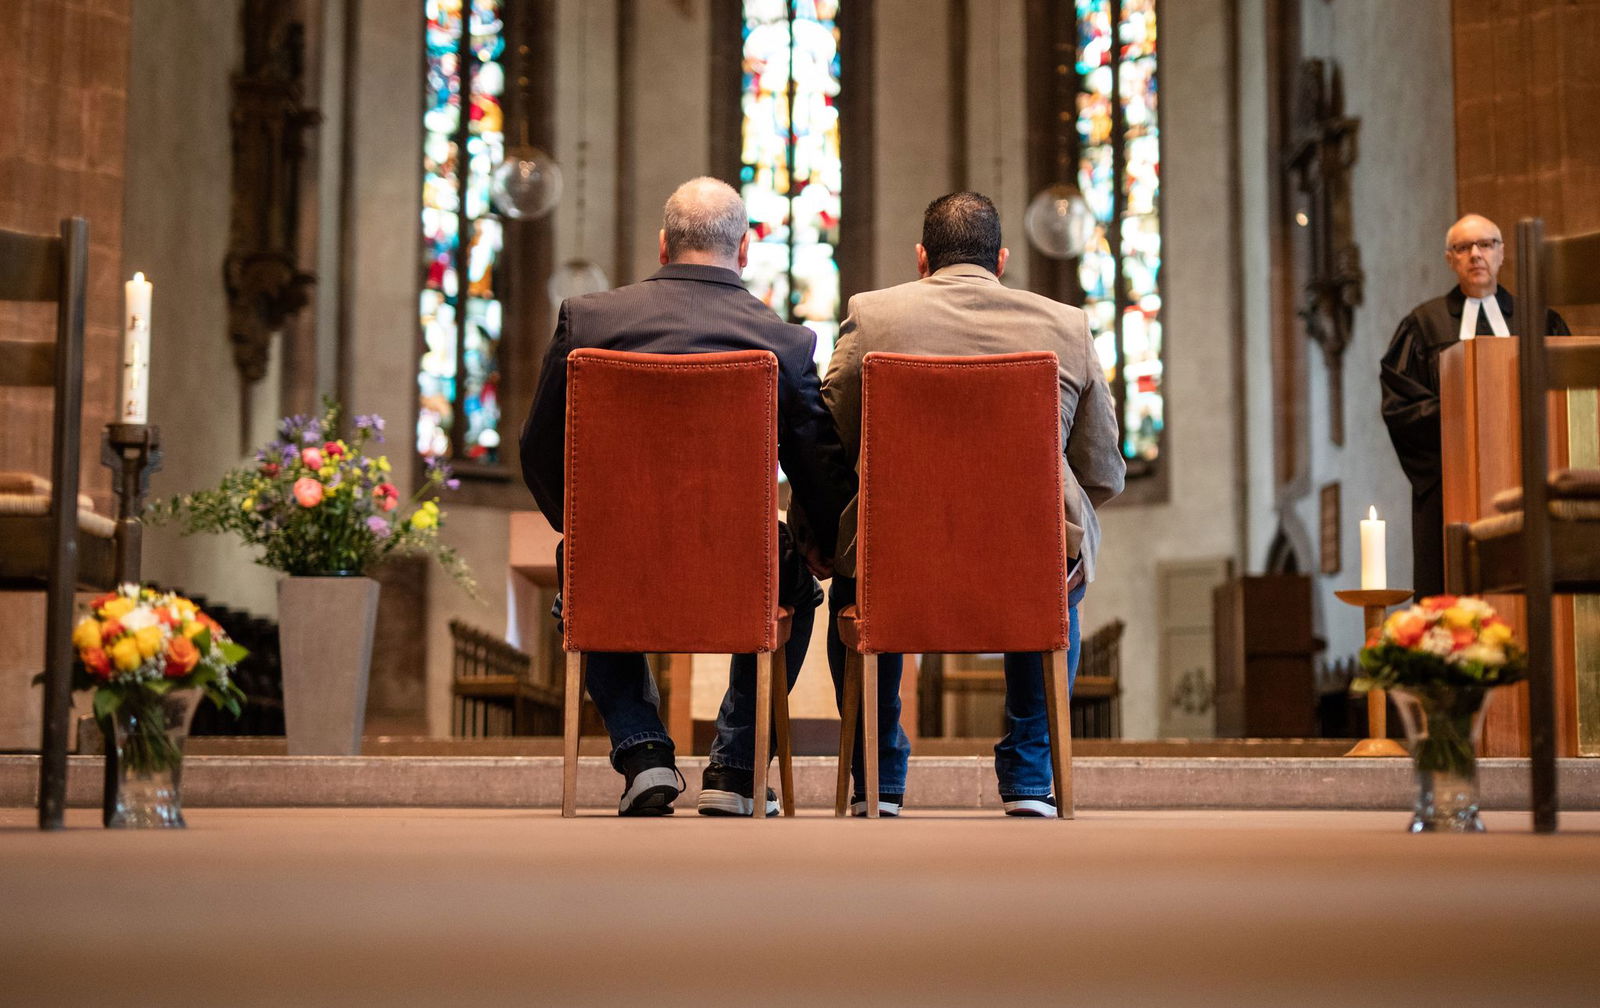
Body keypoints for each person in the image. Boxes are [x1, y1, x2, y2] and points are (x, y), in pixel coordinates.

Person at [520, 177, 856, 817]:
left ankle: (643, 754)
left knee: (581, 560)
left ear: (664, 244)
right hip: (740, 567)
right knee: (797, 586)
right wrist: (815, 541)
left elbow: (537, 448)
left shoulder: (588, 322)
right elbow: (822, 475)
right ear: (746, 249)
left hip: (619, 561)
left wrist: (585, 524)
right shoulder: (784, 343)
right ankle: (733, 769)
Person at [822, 191, 1125, 817]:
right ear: (1003, 260)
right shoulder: (1066, 324)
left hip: (896, 557)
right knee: (1051, 558)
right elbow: (1101, 467)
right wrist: (1024, 513)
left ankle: (876, 780)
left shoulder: (871, 317)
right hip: (1026, 564)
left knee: (858, 569)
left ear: (921, 259)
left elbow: (835, 435)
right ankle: (1029, 778)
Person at [1380, 213, 1569, 598]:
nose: (1475, 255)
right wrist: (1464, 419)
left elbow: (1566, 396)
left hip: (1530, 475)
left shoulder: (1540, 319)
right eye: (1463, 247)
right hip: (1451, 481)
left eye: (1486, 244)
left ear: (1502, 254)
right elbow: (1402, 406)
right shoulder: (1423, 326)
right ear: (1450, 259)